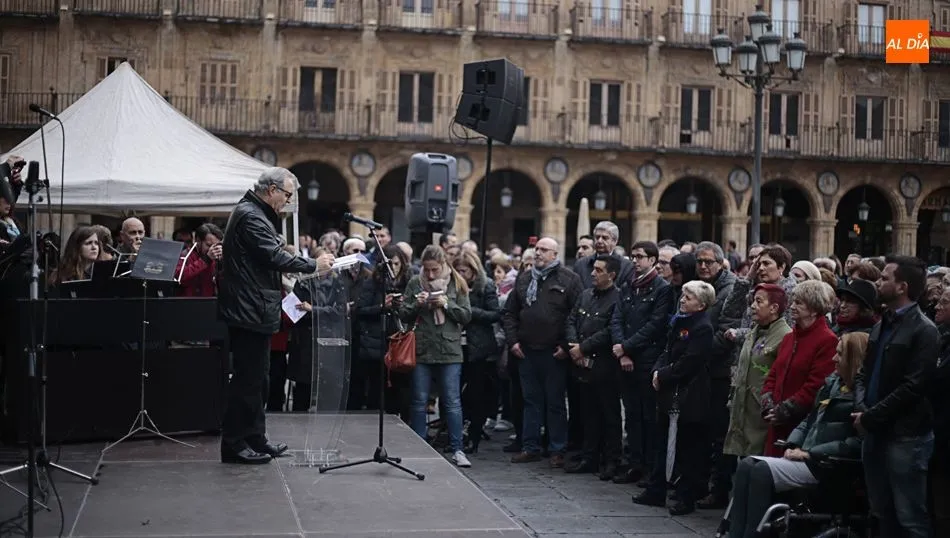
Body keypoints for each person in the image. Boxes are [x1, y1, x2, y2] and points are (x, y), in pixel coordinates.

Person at [217, 167, 332, 465]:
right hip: (249, 309)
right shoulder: (251, 216)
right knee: (247, 381)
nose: (288, 202)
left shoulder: (254, 213)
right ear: (272, 190)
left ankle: (255, 437)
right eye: (287, 195)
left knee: (259, 380)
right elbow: (273, 255)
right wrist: (313, 265)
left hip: (255, 307)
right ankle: (234, 443)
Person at [728, 332, 867, 538]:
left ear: (852, 358)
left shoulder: (861, 397)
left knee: (761, 471)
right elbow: (809, 420)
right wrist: (793, 443)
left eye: (839, 354)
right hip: (808, 455)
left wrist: (811, 453)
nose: (833, 358)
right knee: (747, 465)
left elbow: (855, 443)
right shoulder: (831, 384)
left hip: (827, 463)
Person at [854, 255, 939, 538]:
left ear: (902, 287)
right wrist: (862, 408)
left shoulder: (924, 330)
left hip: (905, 436)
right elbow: (863, 373)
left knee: (910, 517)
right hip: (874, 431)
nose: (878, 282)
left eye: (885, 278)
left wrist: (870, 416)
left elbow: (913, 387)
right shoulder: (882, 324)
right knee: (881, 511)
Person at [633, 280, 716, 516]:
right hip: (669, 392)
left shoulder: (702, 327)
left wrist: (664, 374)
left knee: (687, 448)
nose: (682, 300)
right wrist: (657, 371)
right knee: (662, 442)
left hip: (689, 394)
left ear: (701, 304)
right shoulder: (679, 321)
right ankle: (656, 488)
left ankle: (685, 496)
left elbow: (690, 361)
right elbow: (667, 350)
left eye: (688, 297)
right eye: (683, 296)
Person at [398, 244, 472, 468]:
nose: (430, 275)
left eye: (435, 270)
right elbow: (403, 313)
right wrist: (416, 304)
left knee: (452, 401)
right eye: (427, 269)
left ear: (443, 265)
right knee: (419, 400)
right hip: (422, 349)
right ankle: (420, 445)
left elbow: (466, 315)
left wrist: (447, 304)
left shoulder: (457, 282)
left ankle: (457, 448)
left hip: (449, 350)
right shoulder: (415, 282)